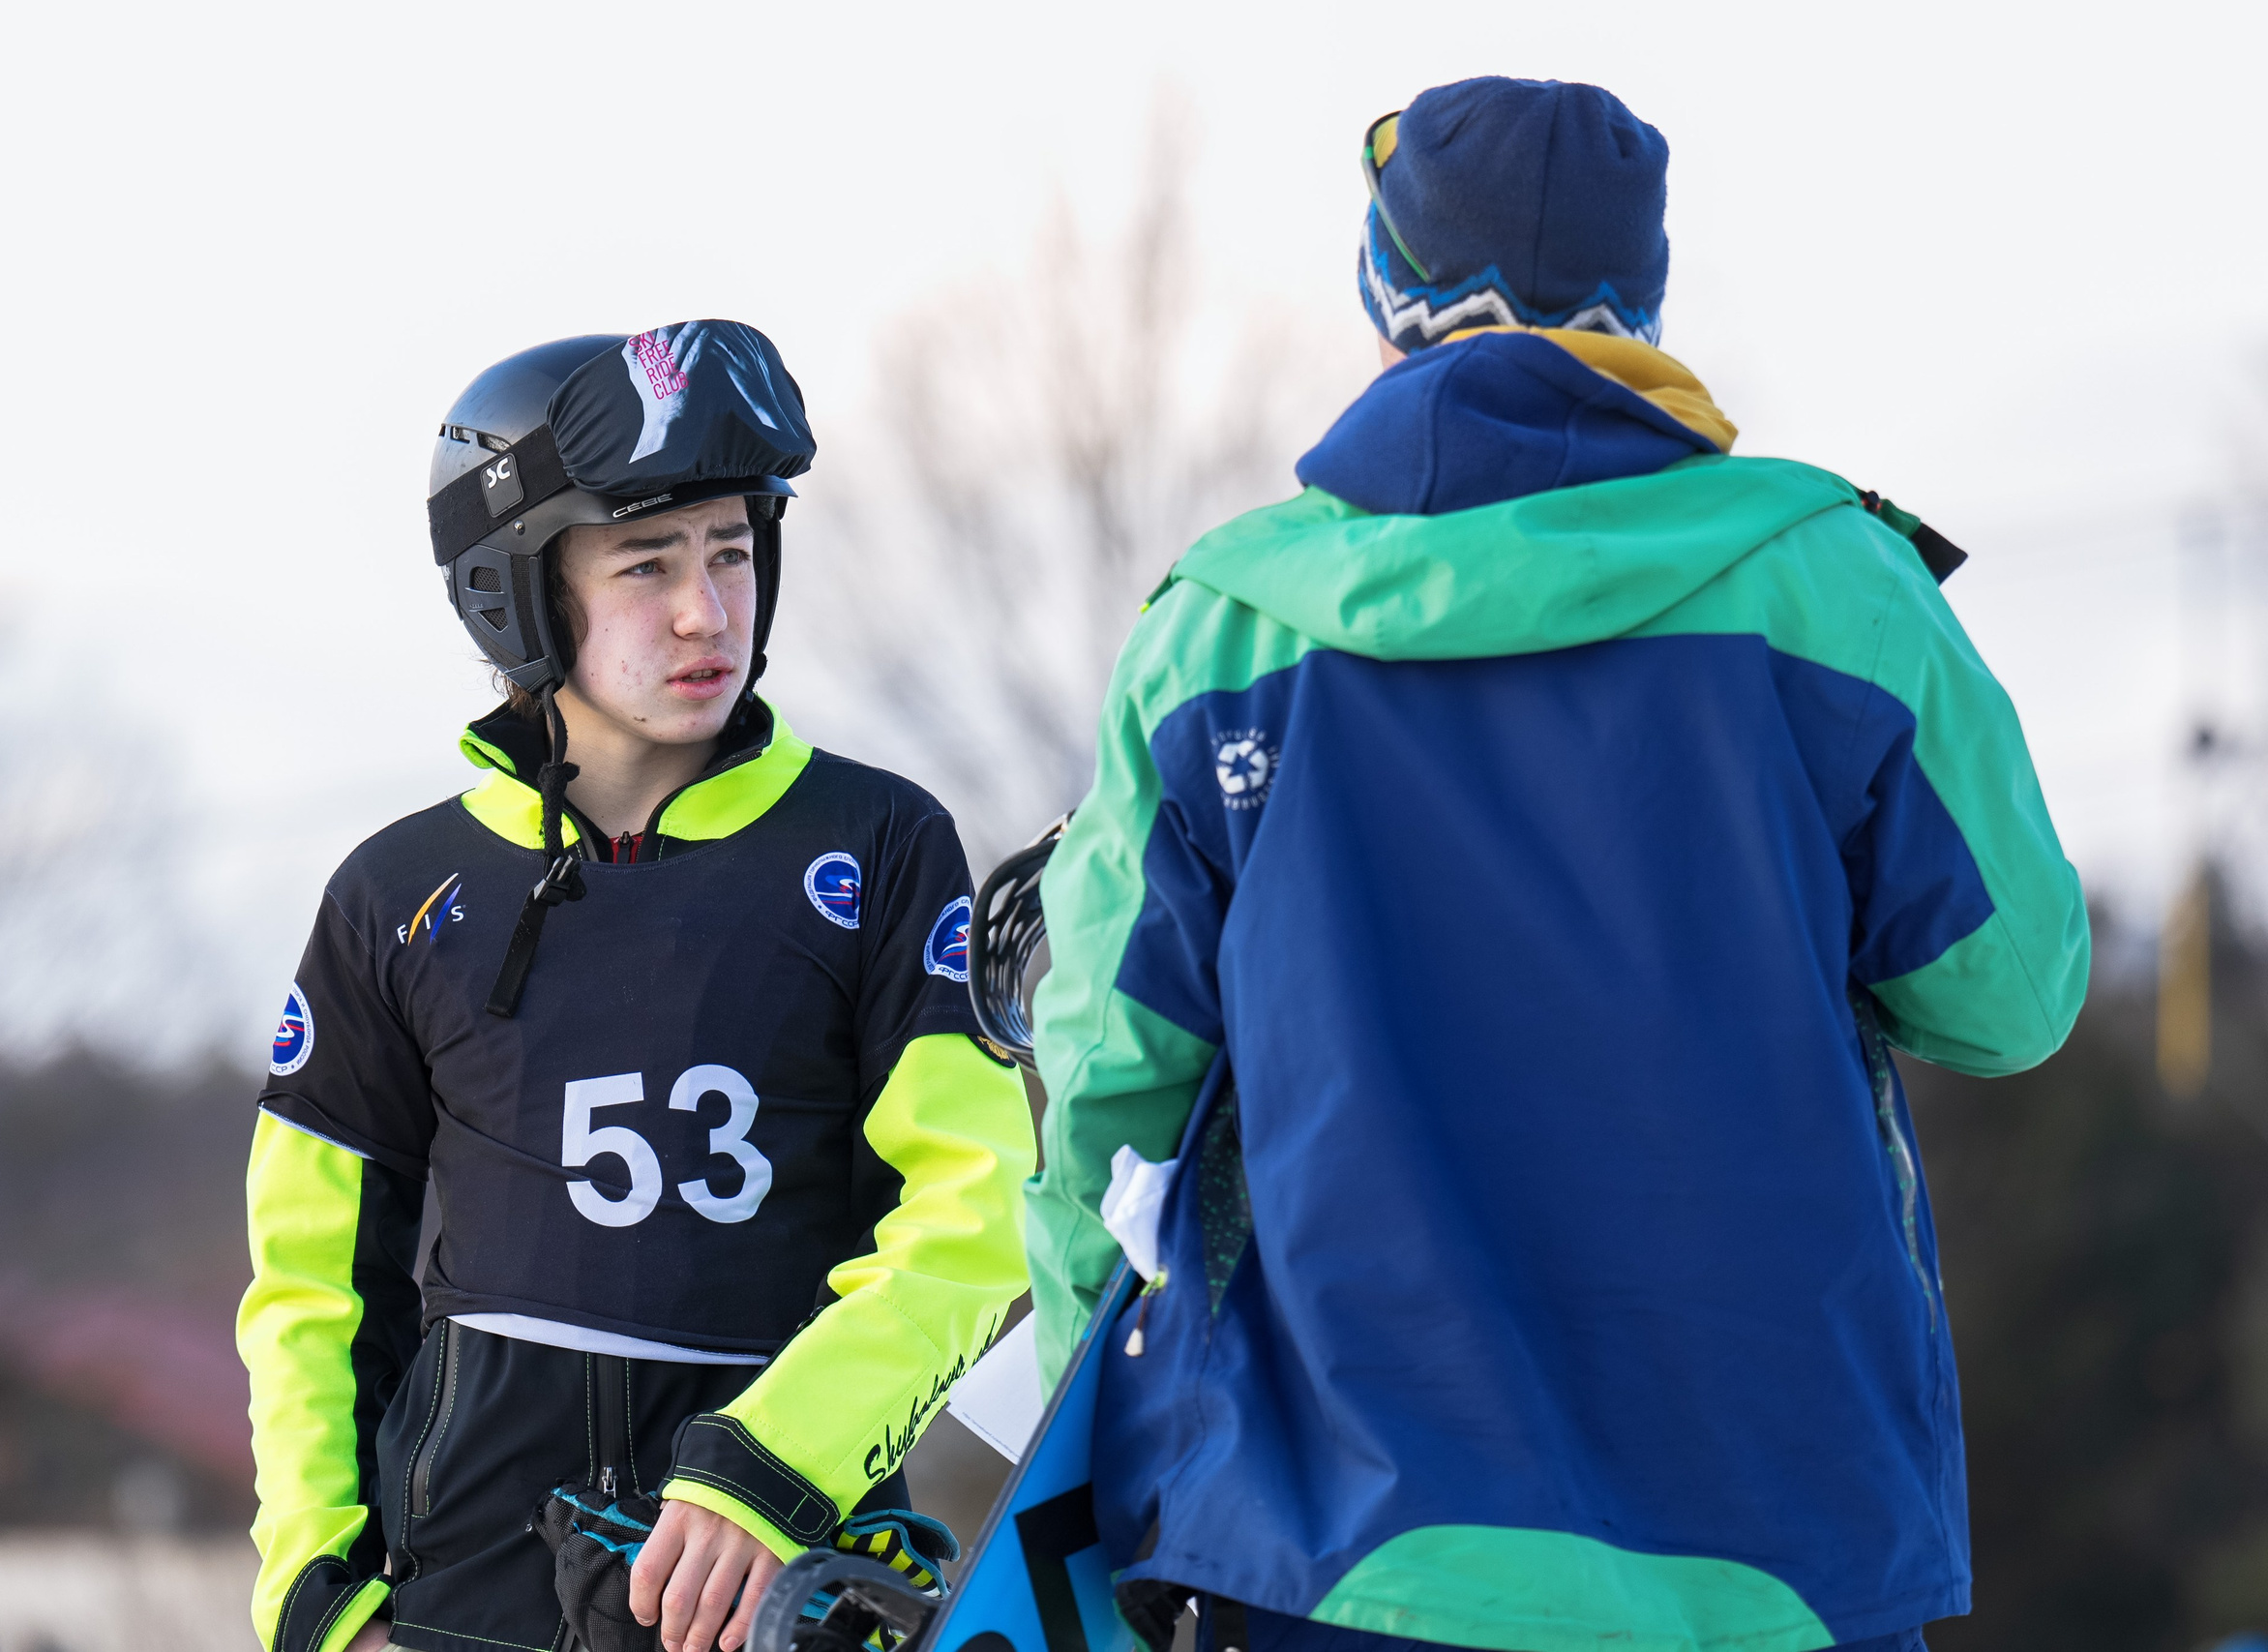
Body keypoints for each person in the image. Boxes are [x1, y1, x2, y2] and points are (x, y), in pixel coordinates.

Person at [1023, 78, 2087, 1652]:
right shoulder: (1832, 586)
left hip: (1342, 1553)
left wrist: (1088, 1468)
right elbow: (2014, 998)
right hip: (1778, 1553)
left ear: (1386, 290)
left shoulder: (1219, 630)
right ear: (1640, 300)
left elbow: (1105, 1096)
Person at [238, 322, 1035, 1652]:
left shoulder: (878, 846)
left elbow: (981, 1208)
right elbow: (311, 1288)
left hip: (776, 1586)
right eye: (646, 565)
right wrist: (318, 1599)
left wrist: (771, 1471)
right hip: (460, 1607)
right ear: (519, 594)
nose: (706, 612)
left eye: (732, 553)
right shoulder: (396, 893)